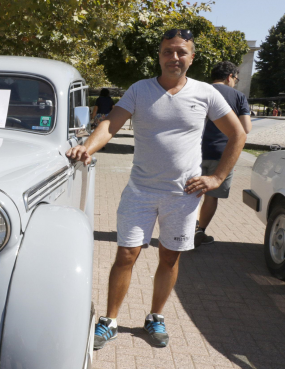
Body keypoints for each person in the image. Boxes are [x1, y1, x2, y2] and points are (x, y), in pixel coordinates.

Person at [66, 29, 246, 350]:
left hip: (183, 195)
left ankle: (155, 317)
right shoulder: (139, 90)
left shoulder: (206, 93)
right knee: (126, 254)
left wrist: (217, 178)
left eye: (181, 52)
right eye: (168, 51)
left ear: (192, 57)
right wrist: (89, 147)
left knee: (170, 258)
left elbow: (238, 134)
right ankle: (109, 321)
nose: (174, 58)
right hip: (141, 190)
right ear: (159, 55)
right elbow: (111, 123)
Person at [195, 62, 252, 246]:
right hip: (222, 154)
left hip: (194, 151)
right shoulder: (239, 97)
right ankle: (200, 232)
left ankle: (183, 230)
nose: (235, 82)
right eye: (236, 78)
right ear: (229, 76)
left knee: (190, 192)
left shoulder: (198, 89)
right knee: (210, 196)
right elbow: (246, 128)